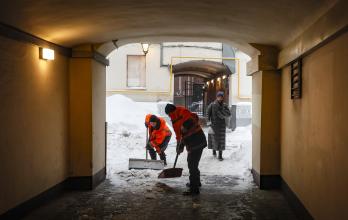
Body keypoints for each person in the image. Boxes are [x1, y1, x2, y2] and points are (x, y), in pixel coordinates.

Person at [165, 104, 207, 196]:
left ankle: (194, 189)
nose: (169, 116)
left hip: (197, 142)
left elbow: (192, 119)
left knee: (192, 165)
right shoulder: (175, 120)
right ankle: (196, 183)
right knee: (192, 163)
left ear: (171, 113)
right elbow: (179, 136)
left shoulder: (182, 112)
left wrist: (185, 126)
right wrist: (179, 146)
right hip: (192, 143)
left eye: (168, 114)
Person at [207, 91, 231, 161]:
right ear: (216, 97)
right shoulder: (212, 105)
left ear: (223, 97)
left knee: (221, 141)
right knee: (214, 140)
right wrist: (209, 123)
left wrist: (221, 112)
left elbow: (229, 114)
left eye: (221, 97)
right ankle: (214, 150)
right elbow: (208, 114)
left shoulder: (224, 105)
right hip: (214, 125)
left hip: (221, 126)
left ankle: (220, 155)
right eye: (218, 96)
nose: (220, 98)